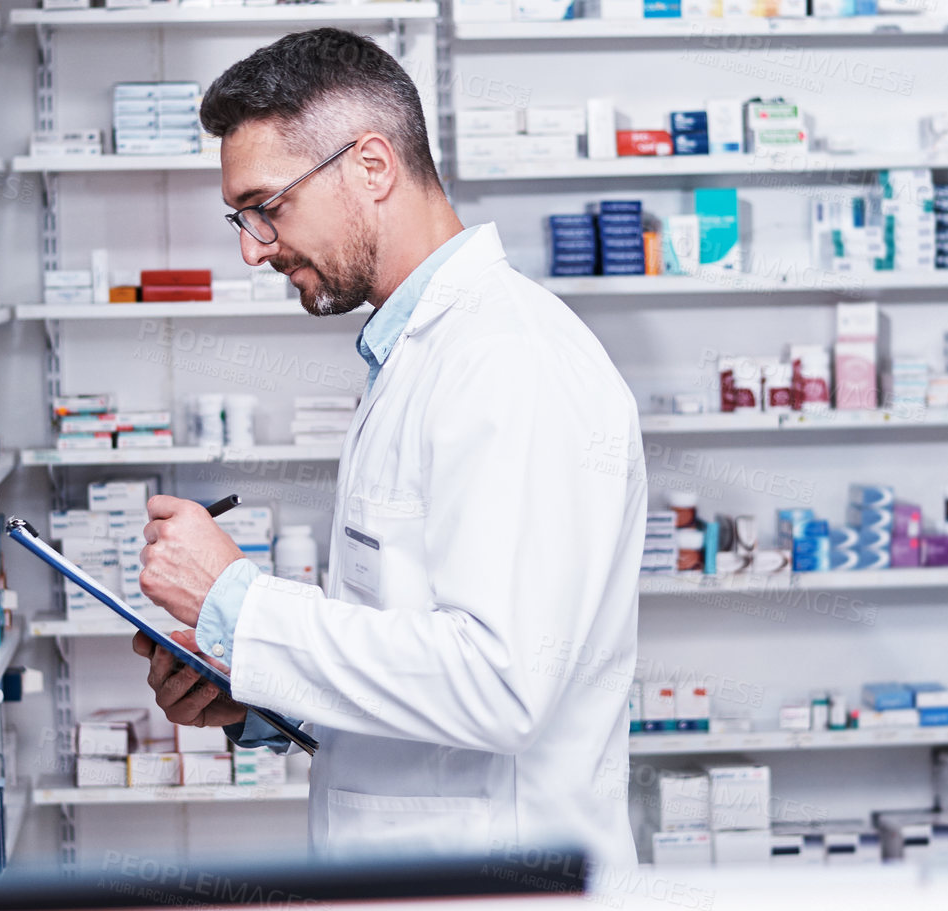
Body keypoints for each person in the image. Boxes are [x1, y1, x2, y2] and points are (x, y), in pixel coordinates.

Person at [129, 27, 645, 867]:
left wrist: (240, 602)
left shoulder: (510, 361)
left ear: (371, 166)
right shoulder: (415, 353)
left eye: (267, 206)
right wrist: (254, 696)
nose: (251, 247)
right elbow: (409, 650)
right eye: (240, 217)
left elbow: (501, 684)